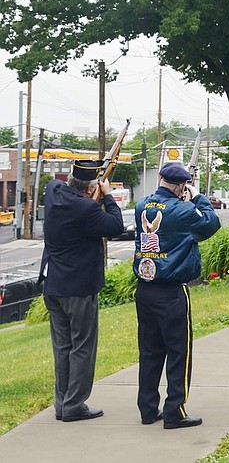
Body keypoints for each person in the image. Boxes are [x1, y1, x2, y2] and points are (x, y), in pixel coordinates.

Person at [133, 162, 221, 429]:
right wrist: (199, 197)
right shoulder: (183, 211)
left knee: (149, 351)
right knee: (178, 351)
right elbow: (211, 223)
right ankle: (174, 410)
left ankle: (148, 408)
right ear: (182, 186)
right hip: (171, 290)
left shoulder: (141, 206)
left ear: (160, 178)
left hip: (145, 288)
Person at [40, 159, 124, 422]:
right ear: (90, 190)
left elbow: (59, 183)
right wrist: (108, 196)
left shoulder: (54, 192)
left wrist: (92, 188)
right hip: (78, 289)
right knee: (83, 348)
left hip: (54, 284)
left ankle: (62, 403)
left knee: (62, 347)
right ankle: (74, 405)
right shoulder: (86, 209)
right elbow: (115, 226)